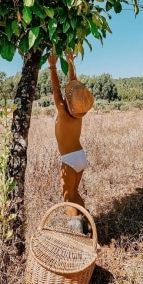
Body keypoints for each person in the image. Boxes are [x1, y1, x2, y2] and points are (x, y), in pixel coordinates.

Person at [48, 51, 94, 233]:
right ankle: (89, 226)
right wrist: (69, 63)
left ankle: (77, 234)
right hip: (80, 157)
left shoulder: (63, 112)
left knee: (68, 198)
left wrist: (52, 66)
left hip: (69, 159)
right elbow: (73, 86)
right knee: (74, 194)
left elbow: (57, 90)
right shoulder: (78, 114)